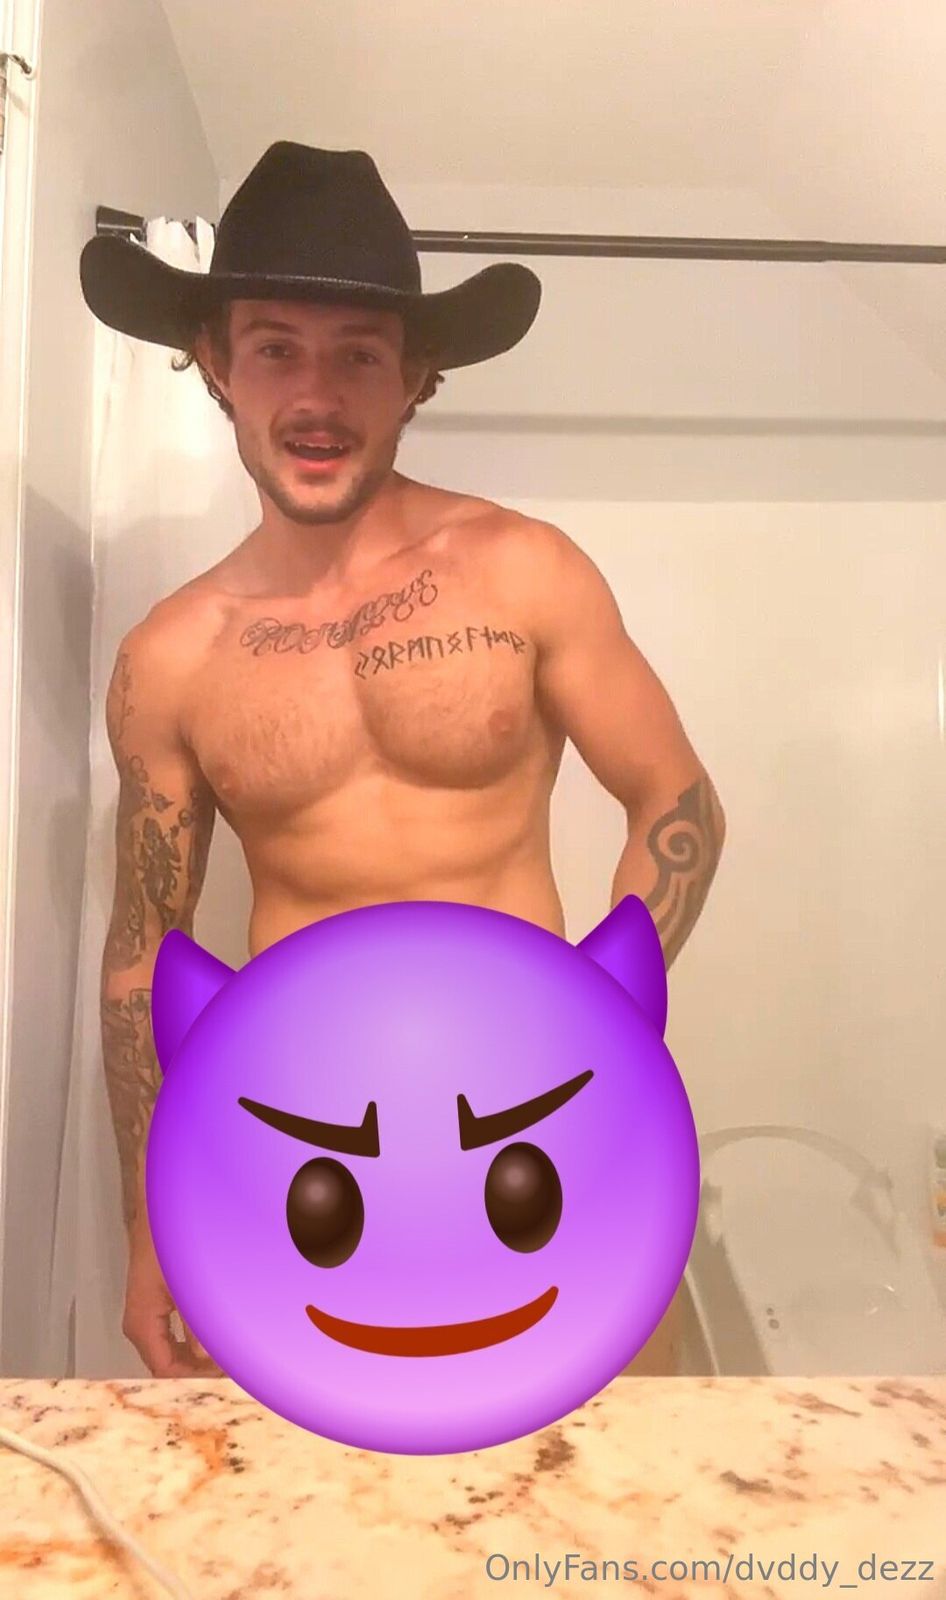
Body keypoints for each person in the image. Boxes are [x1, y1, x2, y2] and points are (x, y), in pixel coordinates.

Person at [80, 143, 726, 1382]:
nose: (315, 393)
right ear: (214, 360)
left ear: (418, 373)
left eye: (359, 354)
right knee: (321, 1492)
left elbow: (676, 801)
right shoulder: (169, 658)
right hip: (301, 1154)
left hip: (540, 1126)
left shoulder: (522, 569)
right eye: (275, 347)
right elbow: (140, 960)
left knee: (601, 1479)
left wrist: (599, 1028)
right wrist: (148, 1221)